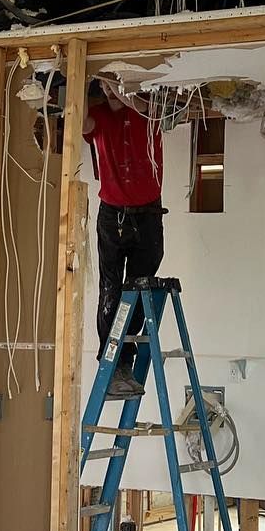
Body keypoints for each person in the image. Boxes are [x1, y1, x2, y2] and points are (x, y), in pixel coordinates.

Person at [83, 77, 164, 396]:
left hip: (149, 214)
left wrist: (122, 91)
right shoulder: (100, 116)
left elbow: (153, 111)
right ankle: (113, 362)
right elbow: (80, 121)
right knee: (110, 289)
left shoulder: (148, 110)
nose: (108, 92)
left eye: (112, 85)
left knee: (141, 286)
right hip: (112, 214)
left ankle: (126, 361)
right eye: (103, 87)